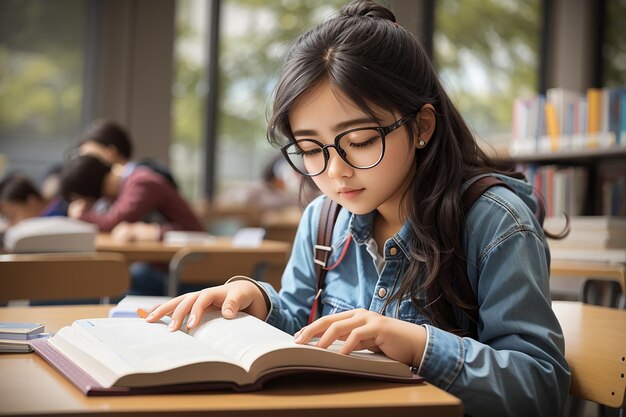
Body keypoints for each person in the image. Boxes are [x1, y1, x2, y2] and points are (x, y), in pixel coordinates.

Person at [144, 2, 570, 416]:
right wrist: (256, 300)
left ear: (421, 126)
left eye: (362, 140)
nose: (335, 171)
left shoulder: (496, 222)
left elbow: (540, 388)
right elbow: (301, 320)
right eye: (310, 149)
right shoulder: (323, 218)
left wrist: (417, 344)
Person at [59, 154, 205, 295]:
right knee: (111, 281)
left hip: (186, 270)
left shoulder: (141, 182)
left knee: (109, 285)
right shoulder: (131, 183)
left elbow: (113, 221)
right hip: (166, 265)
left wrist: (82, 215)